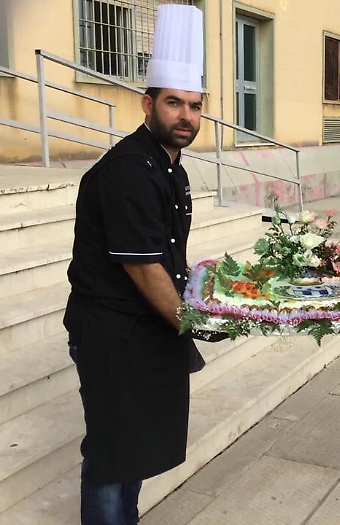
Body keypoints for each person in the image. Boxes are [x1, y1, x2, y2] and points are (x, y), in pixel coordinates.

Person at [63, 5, 211, 524]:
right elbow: (145, 268)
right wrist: (193, 320)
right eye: (174, 103)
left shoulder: (171, 167)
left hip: (145, 331)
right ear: (148, 104)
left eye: (195, 105)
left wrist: (211, 294)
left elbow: (169, 258)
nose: (186, 116)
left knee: (135, 450)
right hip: (112, 334)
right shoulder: (129, 170)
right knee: (113, 454)